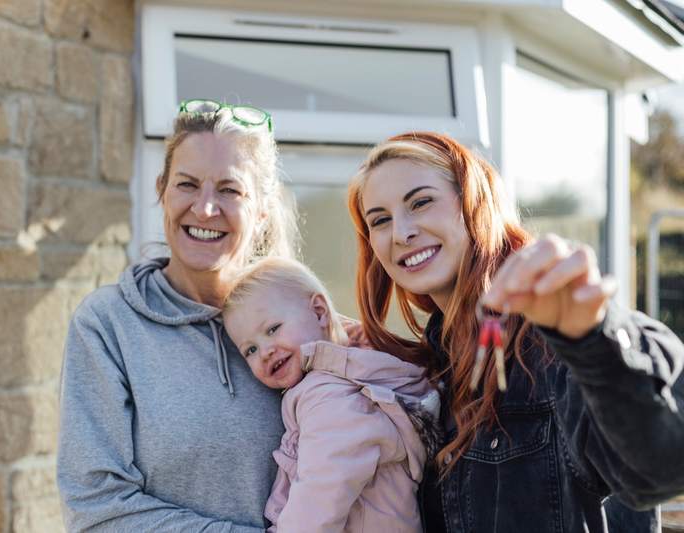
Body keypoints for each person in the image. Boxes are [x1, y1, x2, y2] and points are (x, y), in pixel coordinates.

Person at [335, 131, 684, 532]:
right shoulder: (430, 374)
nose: (401, 232)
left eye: (421, 202)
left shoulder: (555, 339)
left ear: (473, 204)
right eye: (380, 220)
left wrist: (591, 337)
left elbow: (660, 468)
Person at [56, 100, 300, 532]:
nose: (205, 209)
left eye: (229, 189)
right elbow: (96, 511)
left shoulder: (299, 319)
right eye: (187, 184)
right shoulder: (109, 326)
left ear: (262, 209)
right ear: (161, 191)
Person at [222, 257, 440, 533]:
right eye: (250, 349)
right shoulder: (352, 374)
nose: (265, 351)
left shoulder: (330, 398)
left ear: (319, 311)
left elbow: (319, 498)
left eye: (273, 329)